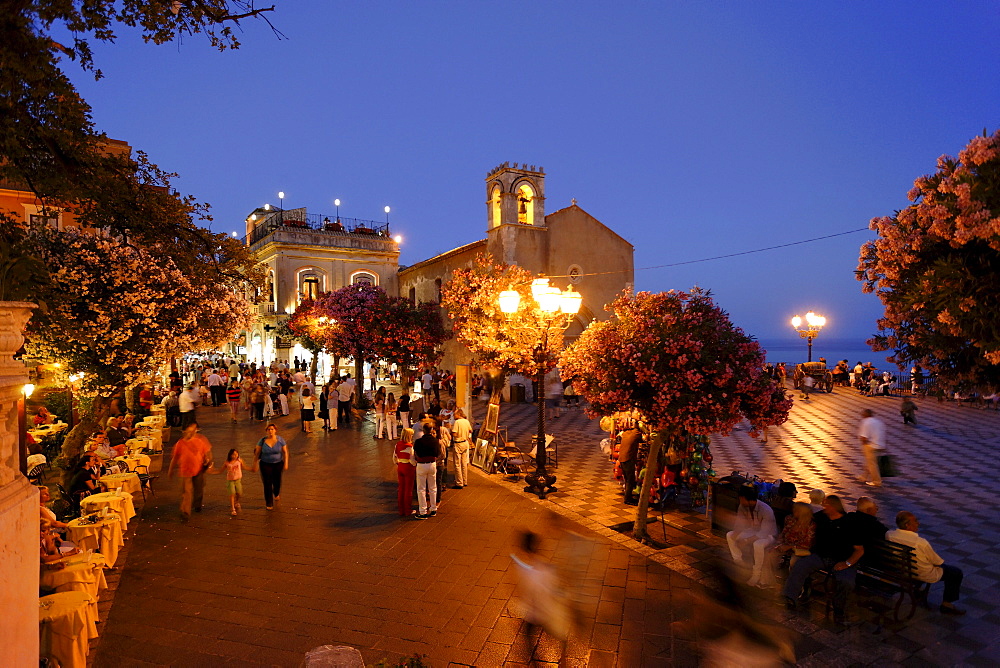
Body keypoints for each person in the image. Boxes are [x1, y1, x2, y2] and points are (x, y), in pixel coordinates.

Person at [782, 495, 863, 625]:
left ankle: (839, 610)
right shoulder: (822, 518)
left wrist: (847, 563)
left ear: (834, 506)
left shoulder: (849, 523)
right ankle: (790, 597)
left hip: (842, 560)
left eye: (826, 505)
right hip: (821, 556)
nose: (823, 507)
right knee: (800, 565)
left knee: (846, 582)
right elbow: (808, 517)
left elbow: (859, 550)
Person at [887, 511, 965, 615]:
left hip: (904, 570)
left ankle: (918, 589)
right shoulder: (920, 542)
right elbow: (937, 561)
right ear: (907, 525)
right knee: (955, 573)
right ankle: (947, 604)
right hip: (923, 574)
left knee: (918, 565)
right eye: (915, 521)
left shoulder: (889, 535)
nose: (918, 523)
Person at [726, 485, 778, 587]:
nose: (739, 500)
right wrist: (736, 534)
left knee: (757, 544)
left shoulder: (765, 510)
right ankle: (739, 562)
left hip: (769, 535)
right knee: (730, 535)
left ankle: (756, 574)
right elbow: (739, 524)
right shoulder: (742, 507)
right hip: (752, 531)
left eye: (741, 498)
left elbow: (764, 532)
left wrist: (745, 541)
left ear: (745, 498)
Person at [167, 421, 214, 521]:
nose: (191, 433)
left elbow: (208, 453)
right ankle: (185, 511)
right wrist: (170, 470)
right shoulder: (180, 444)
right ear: (184, 432)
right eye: (189, 431)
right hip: (185, 471)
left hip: (198, 469)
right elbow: (175, 458)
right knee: (186, 492)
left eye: (193, 430)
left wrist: (208, 462)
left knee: (198, 489)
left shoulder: (201, 440)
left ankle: (197, 504)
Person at [769, 501, 815, 571]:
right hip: (786, 545)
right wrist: (778, 544)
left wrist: (790, 546)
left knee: (794, 562)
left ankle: (793, 579)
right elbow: (784, 533)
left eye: (796, 509)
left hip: (801, 549)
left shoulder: (811, 525)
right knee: (770, 553)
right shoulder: (789, 519)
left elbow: (807, 543)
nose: (793, 510)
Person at [253, 424, 288, 510]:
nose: (270, 431)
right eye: (268, 429)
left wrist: (286, 463)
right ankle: (269, 502)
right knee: (267, 483)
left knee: (277, 481)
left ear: (275, 430)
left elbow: (285, 452)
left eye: (272, 429)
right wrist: (255, 463)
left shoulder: (280, 440)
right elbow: (257, 453)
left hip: (278, 464)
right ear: (266, 431)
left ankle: (276, 492)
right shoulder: (262, 441)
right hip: (265, 464)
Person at [210, 448, 253, 516]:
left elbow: (244, 467)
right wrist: (212, 471)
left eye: (236, 454)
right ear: (230, 455)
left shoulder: (239, 461)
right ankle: (233, 508)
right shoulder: (227, 462)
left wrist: (252, 469)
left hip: (238, 480)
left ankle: (237, 501)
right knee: (232, 493)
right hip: (230, 480)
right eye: (233, 454)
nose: (235, 455)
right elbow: (220, 470)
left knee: (239, 493)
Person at [412, 420, 440, 519]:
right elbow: (438, 453)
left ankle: (423, 510)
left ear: (423, 431)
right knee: (433, 487)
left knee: (421, 489)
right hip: (432, 464)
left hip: (421, 464)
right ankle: (433, 508)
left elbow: (416, 453)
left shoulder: (419, 441)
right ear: (431, 430)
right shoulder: (435, 441)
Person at [858, 409, 886, 486]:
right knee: (870, 461)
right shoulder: (878, 422)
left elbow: (864, 437)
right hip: (880, 445)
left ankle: (877, 481)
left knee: (872, 464)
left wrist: (864, 445)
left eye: (863, 414)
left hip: (871, 445)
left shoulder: (866, 422)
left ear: (866, 415)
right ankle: (864, 477)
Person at [392, 428, 417, 517]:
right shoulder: (409, 446)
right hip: (408, 468)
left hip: (400, 467)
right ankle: (407, 510)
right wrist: (415, 465)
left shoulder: (397, 444)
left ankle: (401, 510)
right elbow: (412, 460)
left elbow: (394, 457)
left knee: (401, 488)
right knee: (408, 490)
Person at [618, 426, 641, 505]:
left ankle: (628, 496)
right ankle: (628, 499)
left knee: (627, 478)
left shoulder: (625, 434)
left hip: (621, 458)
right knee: (630, 480)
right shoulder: (636, 434)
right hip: (628, 459)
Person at [450, 408, 472, 489]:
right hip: (465, 443)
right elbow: (470, 430)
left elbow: (455, 434)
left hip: (458, 443)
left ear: (458, 414)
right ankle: (465, 480)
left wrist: (451, 431)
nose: (453, 416)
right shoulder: (466, 421)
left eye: (454, 414)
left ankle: (459, 482)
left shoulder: (457, 422)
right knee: (464, 463)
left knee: (457, 464)